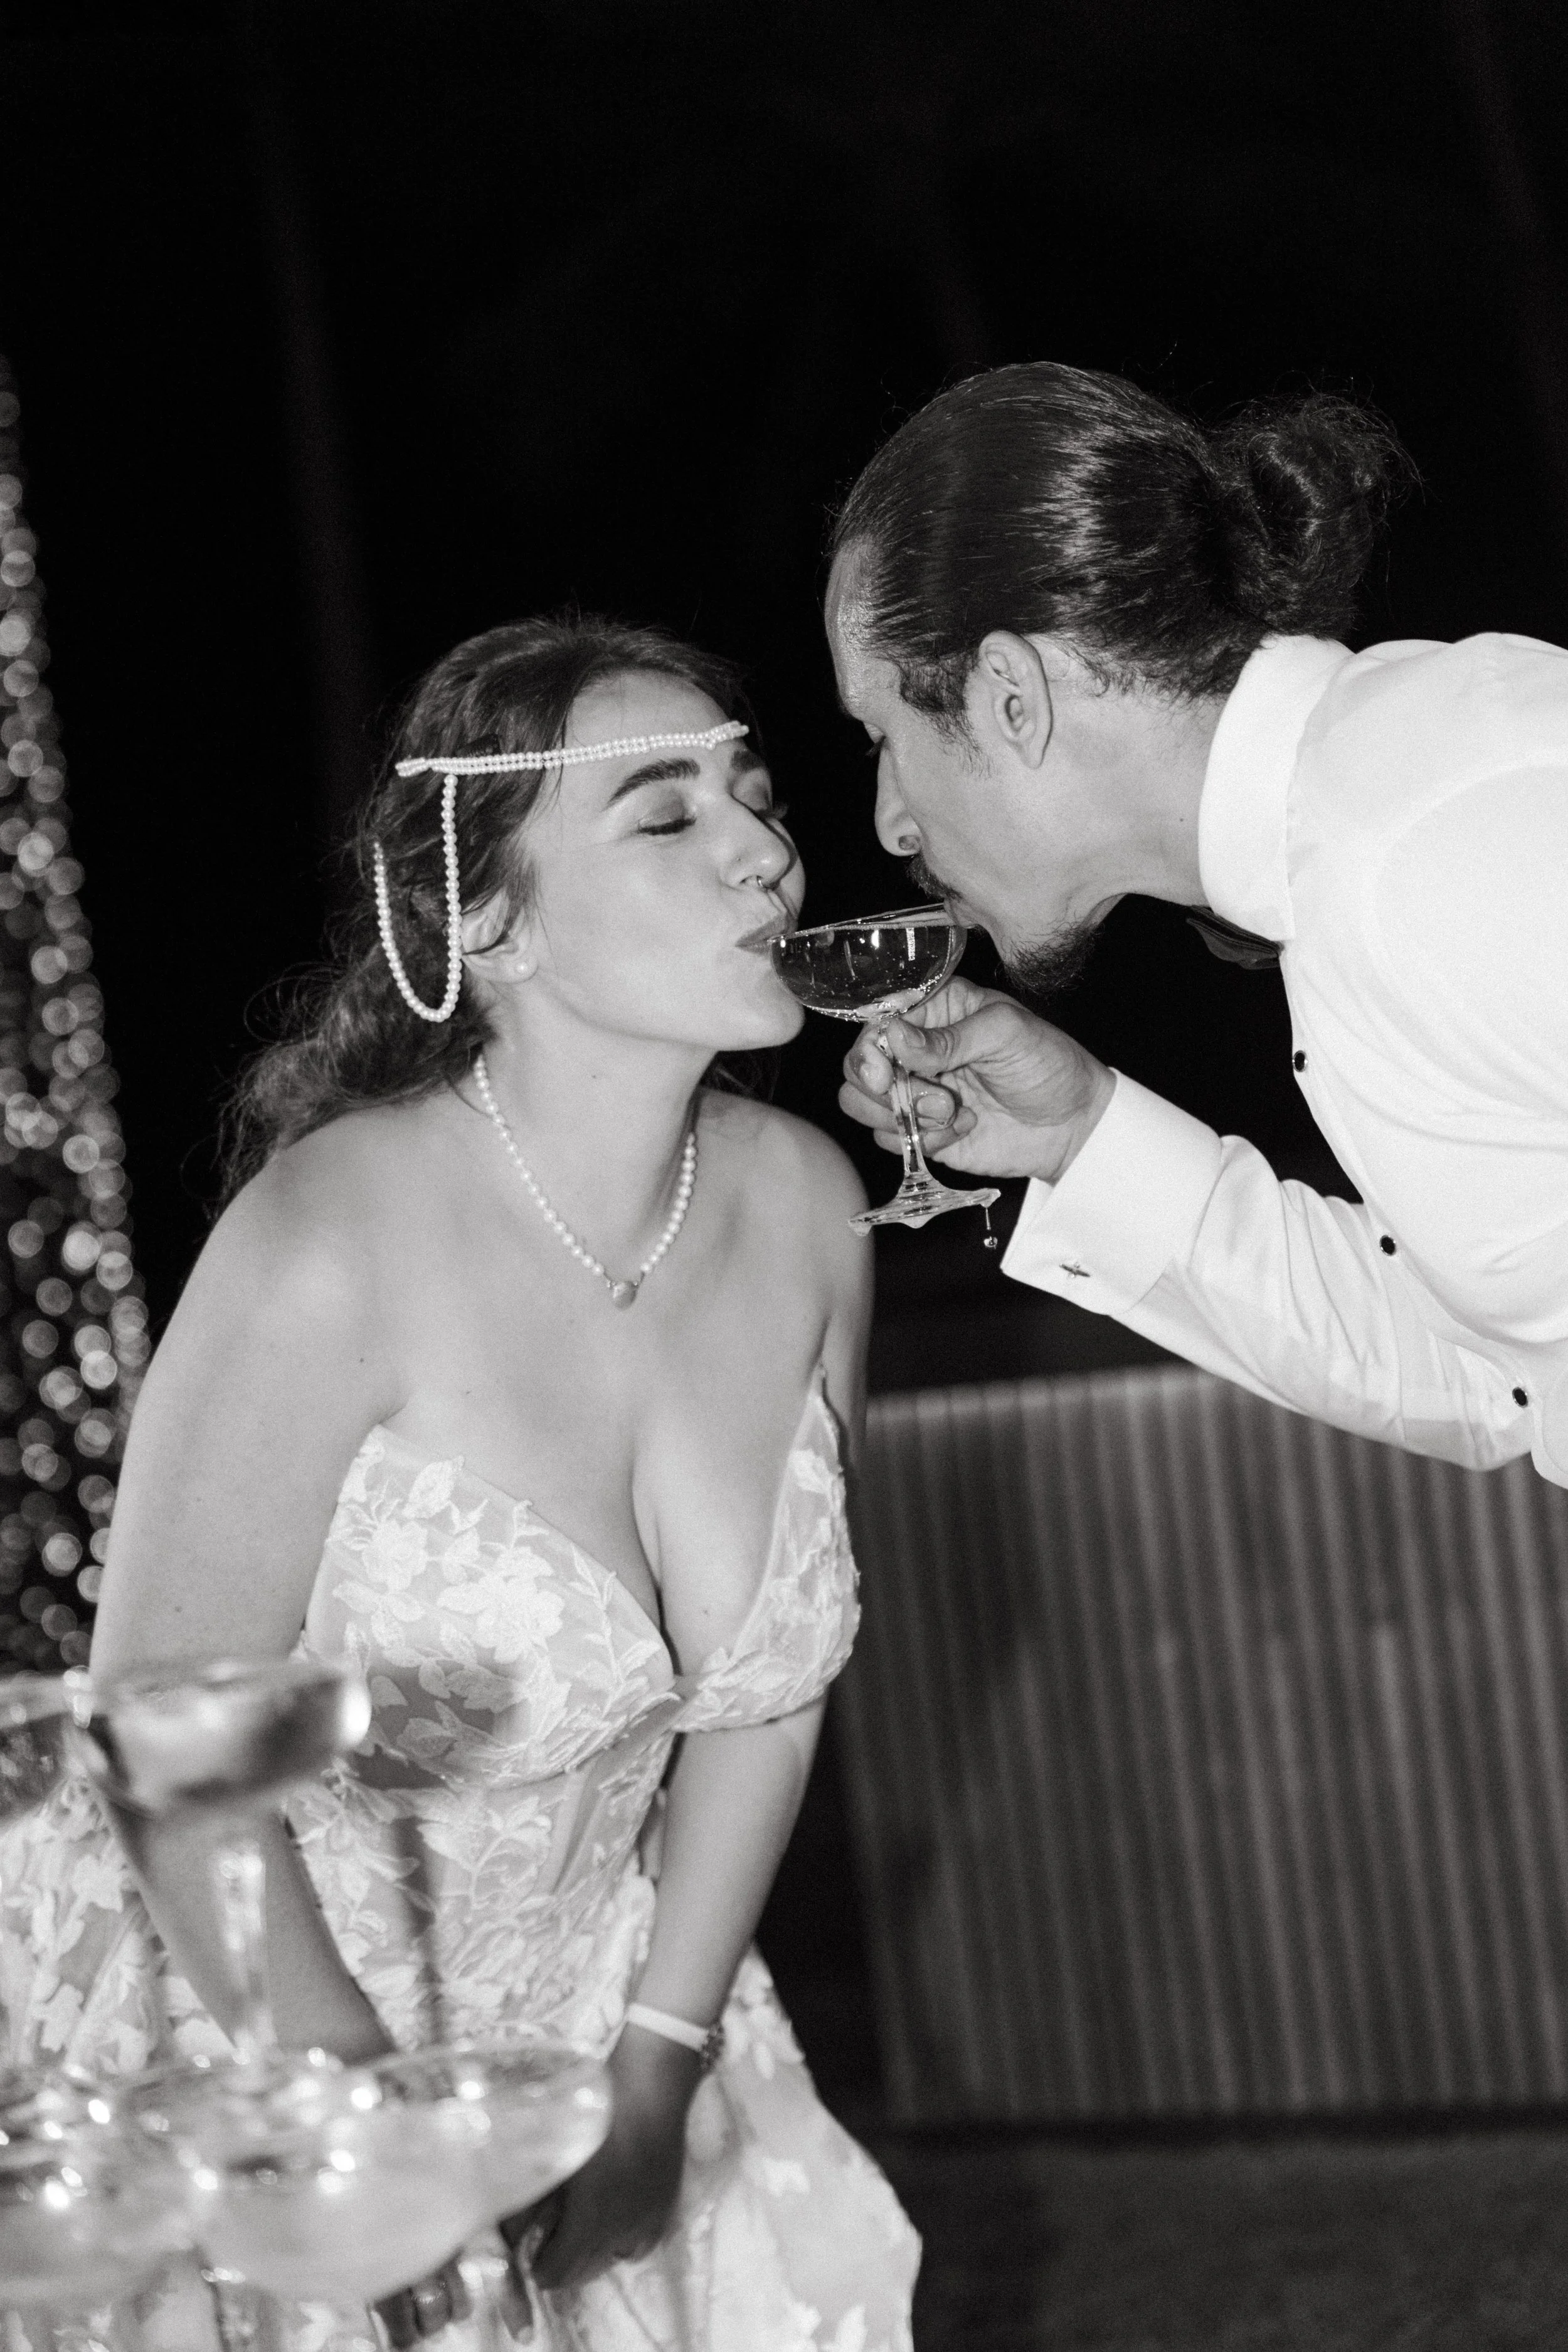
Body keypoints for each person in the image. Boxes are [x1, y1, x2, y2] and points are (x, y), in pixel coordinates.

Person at [0, 615, 919, 2350]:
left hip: (606, 2013)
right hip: (257, 2015)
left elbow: (764, 1701)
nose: (763, 849)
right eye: (665, 816)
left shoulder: (807, 1205)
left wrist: (656, 2066)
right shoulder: (328, 1239)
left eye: (755, 794)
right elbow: (160, 1741)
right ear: (482, 917)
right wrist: (368, 2138)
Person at [829, 361, 1568, 1488]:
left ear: (1010, 696)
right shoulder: (1356, 831)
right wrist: (1081, 1136)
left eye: (882, 733)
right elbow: (1509, 1377)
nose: (889, 821)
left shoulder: (1433, 836)